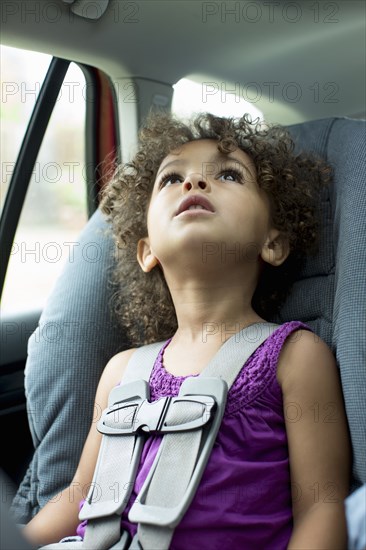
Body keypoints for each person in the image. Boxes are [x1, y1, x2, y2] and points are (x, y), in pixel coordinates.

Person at [23, 113, 351, 549]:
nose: (192, 184)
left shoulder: (294, 355)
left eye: (229, 175)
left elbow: (321, 506)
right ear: (146, 251)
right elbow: (76, 499)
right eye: (171, 179)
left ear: (273, 242)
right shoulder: (122, 372)